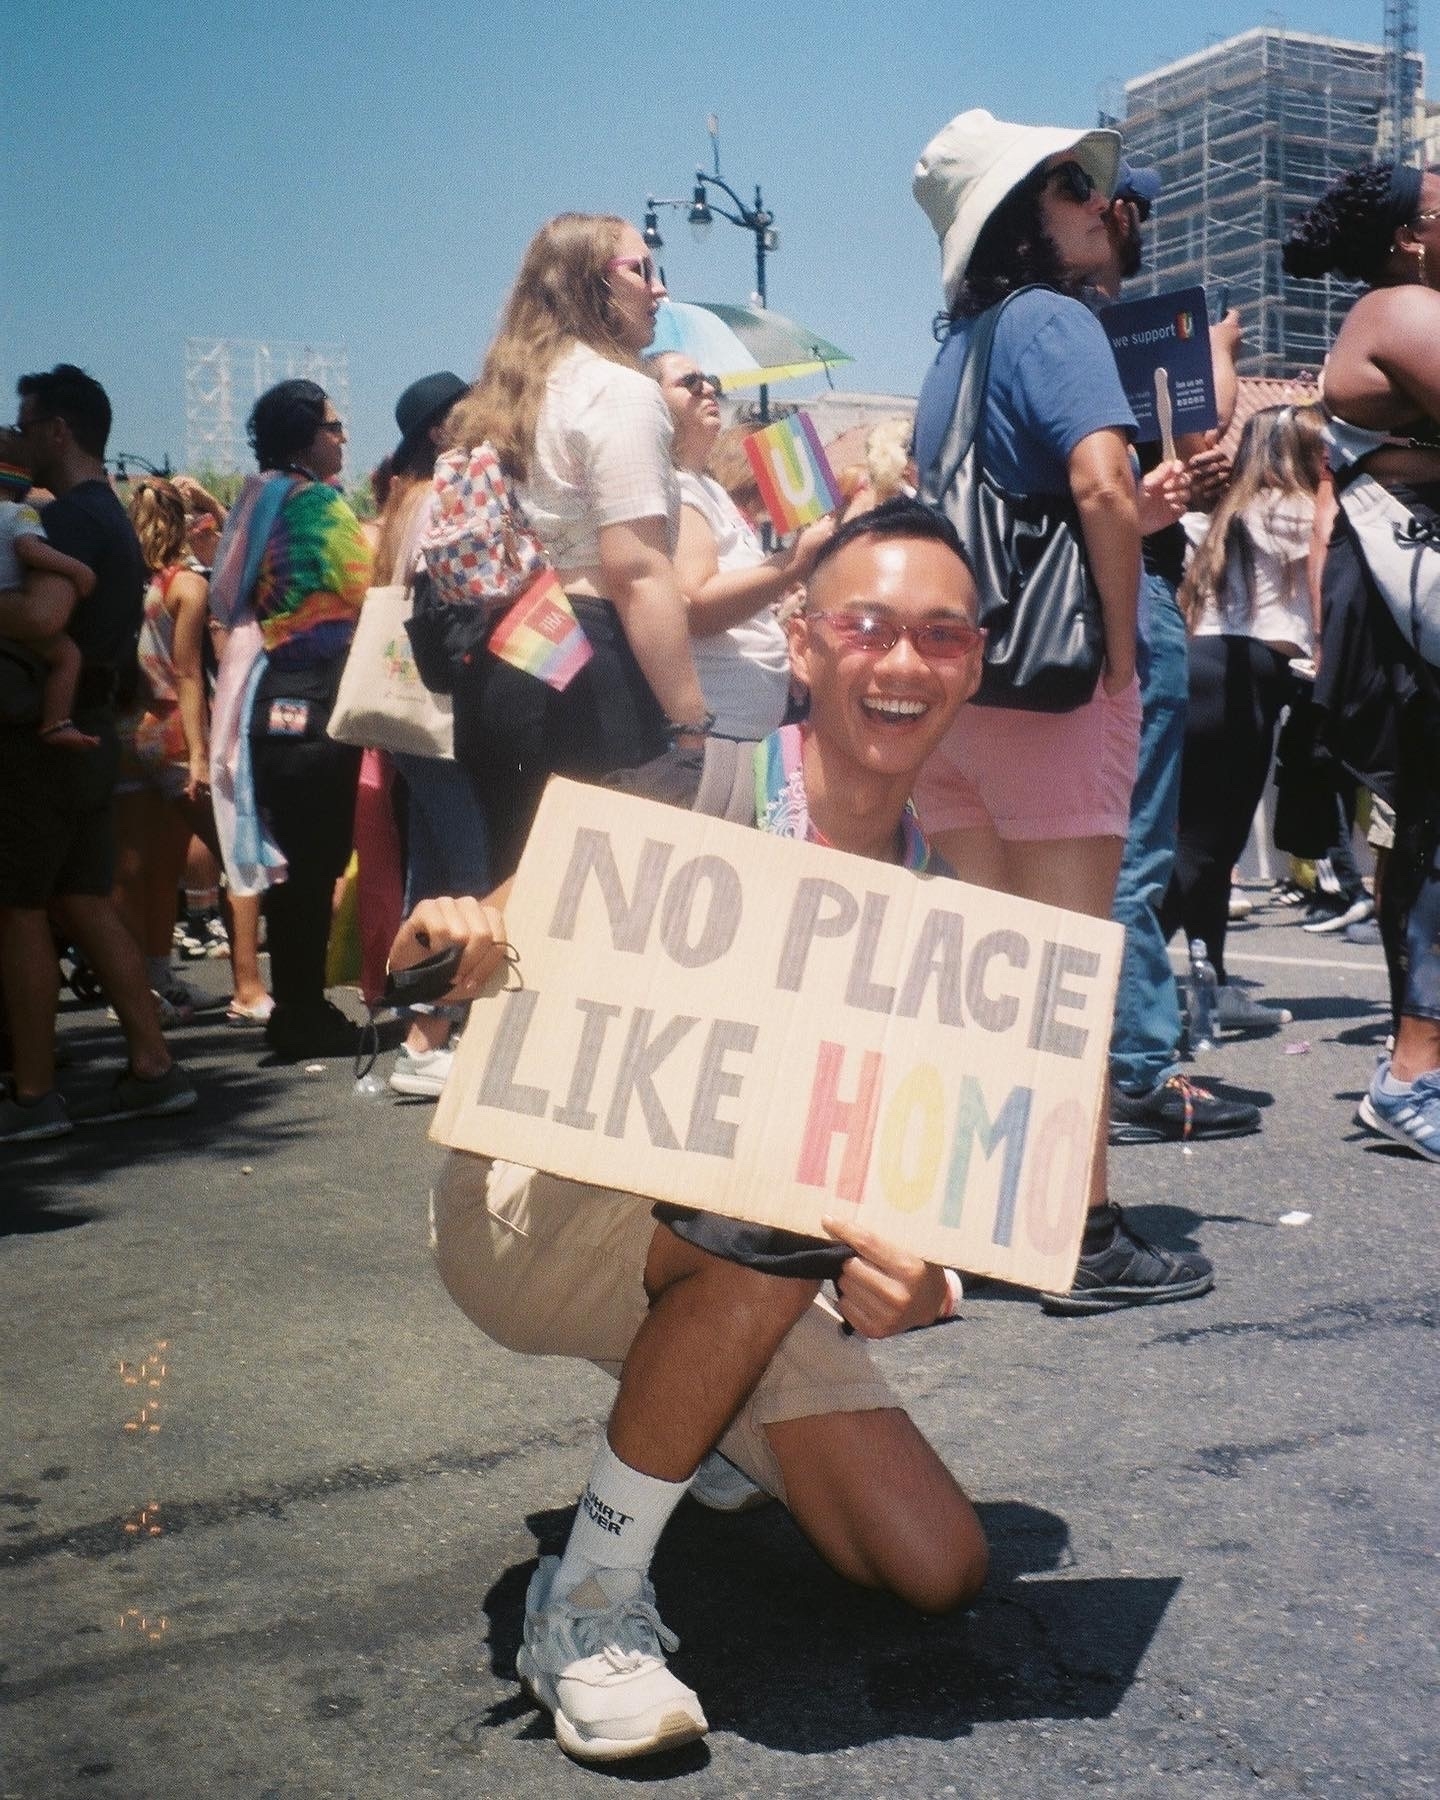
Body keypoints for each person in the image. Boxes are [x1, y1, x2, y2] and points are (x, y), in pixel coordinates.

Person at [395, 503, 990, 1764]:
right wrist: (452, 939)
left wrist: (923, 1278)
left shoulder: (949, 915)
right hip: (536, 1216)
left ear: (975, 663)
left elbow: (908, 1178)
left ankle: (690, 1407)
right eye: (867, 626)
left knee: (936, 1567)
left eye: (941, 636)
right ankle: (590, 1599)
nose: (902, 662)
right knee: (768, 1197)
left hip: (733, 1263)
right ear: (807, 647)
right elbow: (472, 939)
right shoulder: (687, 784)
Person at [909, 110, 1213, 1311]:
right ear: (1022, 217)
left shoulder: (962, 348)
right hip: (1052, 697)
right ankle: (1080, 1232)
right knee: (1066, 975)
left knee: (996, 971)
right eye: (1075, 188)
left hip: (965, 697)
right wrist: (1124, 651)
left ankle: (994, 1212)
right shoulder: (1059, 324)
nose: (1103, 202)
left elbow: (1019, 511)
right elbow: (1095, 479)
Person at [438, 213, 710, 881]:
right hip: (592, 668)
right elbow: (638, 569)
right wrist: (690, 721)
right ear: (590, 285)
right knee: (600, 895)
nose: (659, 290)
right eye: (641, 270)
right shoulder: (617, 391)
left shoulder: (507, 397)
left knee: (516, 885)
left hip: (502, 658)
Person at [1089, 172, 1261, 1145]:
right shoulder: (1108, 326)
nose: (1141, 224)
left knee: (1098, 833)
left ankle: (1115, 1059)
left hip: (1081, 592)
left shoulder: (1030, 326)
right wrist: (1221, 355)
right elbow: (1201, 437)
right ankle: (1136, 1070)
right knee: (1133, 836)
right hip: (1135, 577)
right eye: (1131, 208)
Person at [1282, 163, 1440, 1159]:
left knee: (1423, 826)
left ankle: (1415, 1064)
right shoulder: (1400, 308)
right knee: (1428, 828)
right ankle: (1415, 1069)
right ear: (1408, 237)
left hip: (1401, 600)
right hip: (1406, 603)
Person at [0, 364, 196, 1140]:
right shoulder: (103, 515)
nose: (16, 436)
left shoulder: (71, 520)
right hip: (85, 733)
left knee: (18, 911)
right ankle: (153, 1065)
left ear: (59, 430)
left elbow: (45, 620)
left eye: (26, 422)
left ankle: (34, 1097)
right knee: (84, 897)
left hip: (40, 739)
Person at [208, 379, 371, 1061]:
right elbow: (362, 583)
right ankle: (302, 1013)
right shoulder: (318, 506)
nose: (342, 437)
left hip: (271, 695)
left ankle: (295, 1005)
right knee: (315, 862)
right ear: (307, 435)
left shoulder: (255, 499)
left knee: (293, 870)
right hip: (321, 693)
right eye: (334, 426)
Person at [1159, 406, 1327, 1026]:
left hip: (1200, 665)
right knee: (1206, 849)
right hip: (1246, 673)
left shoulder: (1223, 514)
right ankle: (1127, 979)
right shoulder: (1294, 511)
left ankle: (1212, 982)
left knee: (1206, 842)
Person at [373, 371, 492, 1098]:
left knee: (434, 872)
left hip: (407, 718)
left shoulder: (402, 500)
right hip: (438, 712)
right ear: (439, 430)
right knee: (475, 876)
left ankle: (423, 1036)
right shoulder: (438, 497)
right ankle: (431, 1035)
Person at [114, 477, 269, 1025]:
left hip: (130, 730)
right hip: (177, 732)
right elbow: (186, 675)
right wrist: (202, 755)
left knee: (149, 869)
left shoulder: (131, 582)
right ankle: (248, 987)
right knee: (235, 859)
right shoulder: (187, 587)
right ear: (181, 524)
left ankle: (150, 983)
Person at [649, 351, 834, 739]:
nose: (710, 388)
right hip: (722, 726)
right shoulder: (678, 488)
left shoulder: (707, 487)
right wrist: (794, 562)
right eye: (690, 382)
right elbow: (698, 605)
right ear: (652, 402)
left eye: (710, 378)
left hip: (745, 726)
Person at [0, 428, 100, 750]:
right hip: (11, 598)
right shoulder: (19, 513)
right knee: (68, 656)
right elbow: (30, 550)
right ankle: (56, 722)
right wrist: (76, 568)